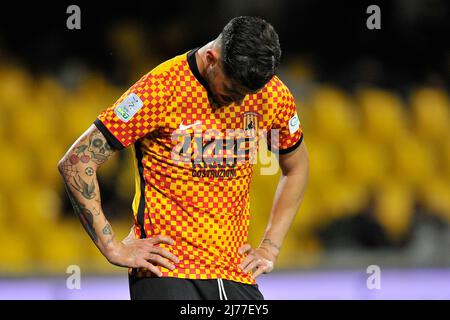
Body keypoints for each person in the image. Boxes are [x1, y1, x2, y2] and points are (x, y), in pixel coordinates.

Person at [58, 16, 309, 300]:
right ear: (212, 58)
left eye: (247, 94)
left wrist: (270, 247)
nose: (239, 103)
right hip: (167, 269)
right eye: (231, 91)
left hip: (234, 271)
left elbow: (296, 168)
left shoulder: (273, 96)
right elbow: (77, 160)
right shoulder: (161, 89)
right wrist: (111, 246)